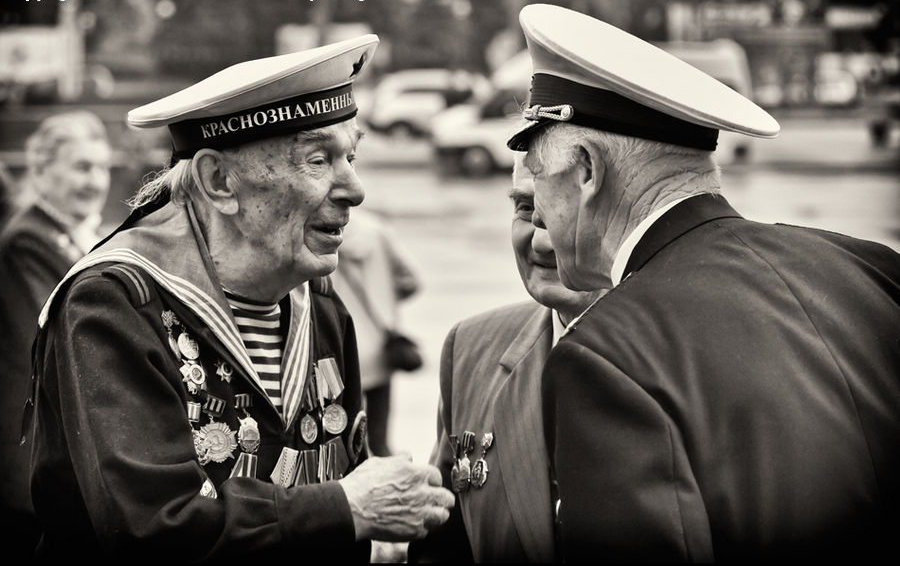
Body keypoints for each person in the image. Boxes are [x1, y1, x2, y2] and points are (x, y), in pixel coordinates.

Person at [25, 35, 454, 562]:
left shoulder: (319, 305)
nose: (355, 188)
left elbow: (345, 483)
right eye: (319, 160)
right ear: (219, 180)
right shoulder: (114, 306)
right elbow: (151, 528)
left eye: (352, 156)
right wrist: (348, 509)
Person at [506, 5, 900, 562]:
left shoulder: (606, 355)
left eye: (539, 179)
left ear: (588, 170)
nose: (539, 216)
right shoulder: (870, 267)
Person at [409, 156, 604, 562]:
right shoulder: (471, 346)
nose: (539, 241)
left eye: (565, 210)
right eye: (525, 209)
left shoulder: (688, 353)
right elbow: (444, 544)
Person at [0, 110, 112, 561]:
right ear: (42, 170)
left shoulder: (84, 235)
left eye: (103, 167)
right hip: (33, 457)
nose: (96, 181)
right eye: (81, 167)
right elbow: (56, 342)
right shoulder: (26, 242)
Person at [331, 207, 420, 457]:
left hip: (342, 352)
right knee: (380, 440)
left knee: (344, 438)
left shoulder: (323, 234)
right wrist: (387, 297)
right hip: (381, 349)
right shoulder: (376, 230)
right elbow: (412, 280)